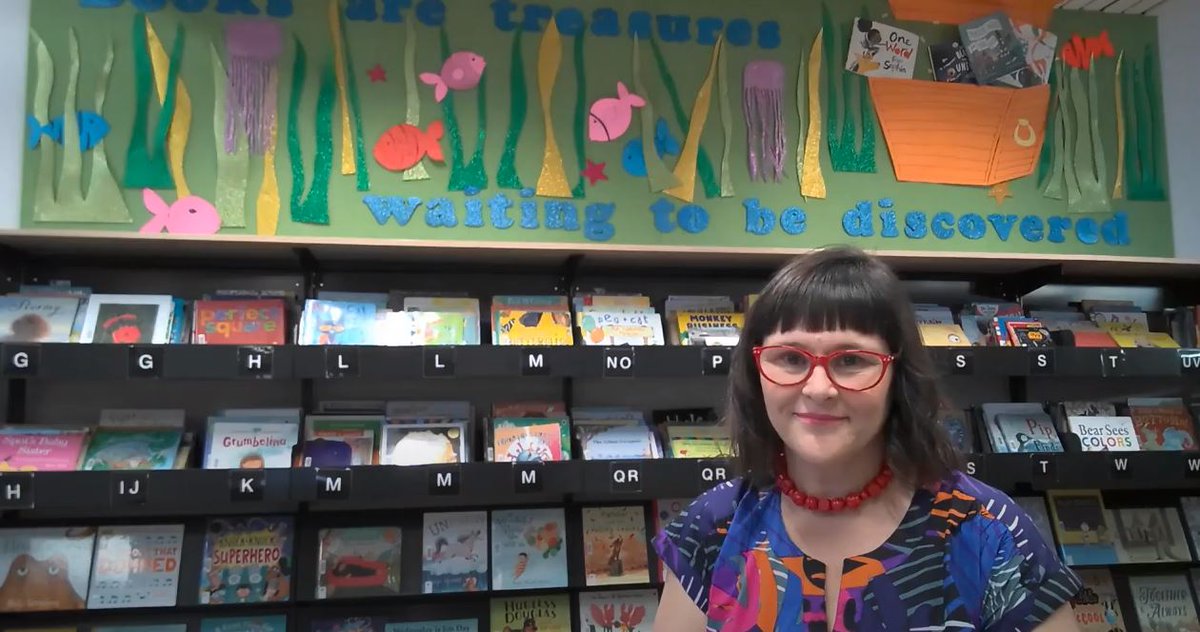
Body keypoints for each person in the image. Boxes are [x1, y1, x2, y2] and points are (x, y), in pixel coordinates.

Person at [652, 247, 1081, 631]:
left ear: (898, 376)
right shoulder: (713, 527)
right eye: (789, 357)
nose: (818, 388)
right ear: (755, 373)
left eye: (852, 359)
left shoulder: (986, 530)